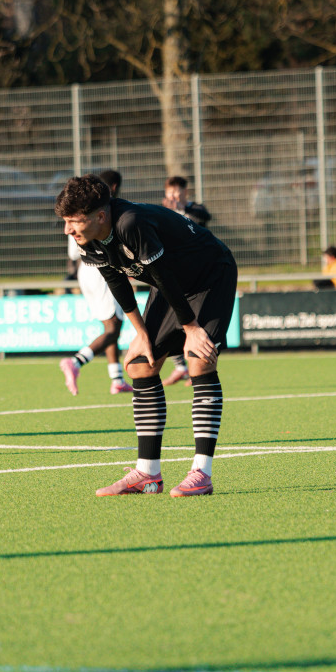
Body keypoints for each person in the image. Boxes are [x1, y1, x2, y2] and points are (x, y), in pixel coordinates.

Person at [56, 174, 238, 498]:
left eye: (74, 221)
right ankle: (147, 474)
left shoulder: (130, 223)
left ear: (100, 216)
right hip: (173, 285)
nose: (68, 229)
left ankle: (202, 472)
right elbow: (117, 281)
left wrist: (192, 329)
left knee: (199, 360)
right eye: (66, 221)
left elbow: (163, 275)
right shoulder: (88, 239)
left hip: (211, 274)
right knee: (140, 363)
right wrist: (140, 332)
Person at [59, 169, 134, 396]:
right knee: (114, 327)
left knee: (110, 325)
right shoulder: (100, 211)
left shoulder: (79, 212)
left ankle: (117, 379)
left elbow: (73, 255)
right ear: (113, 188)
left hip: (84, 270)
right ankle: (76, 362)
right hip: (99, 268)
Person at [161, 175, 211, 385]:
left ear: (185, 192)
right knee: (169, 318)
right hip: (173, 270)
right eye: (170, 192)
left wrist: (181, 209)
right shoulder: (162, 212)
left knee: (196, 319)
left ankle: (198, 366)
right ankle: (181, 367)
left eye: (177, 192)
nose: (173, 196)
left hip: (197, 269)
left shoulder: (195, 208)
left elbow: (202, 219)